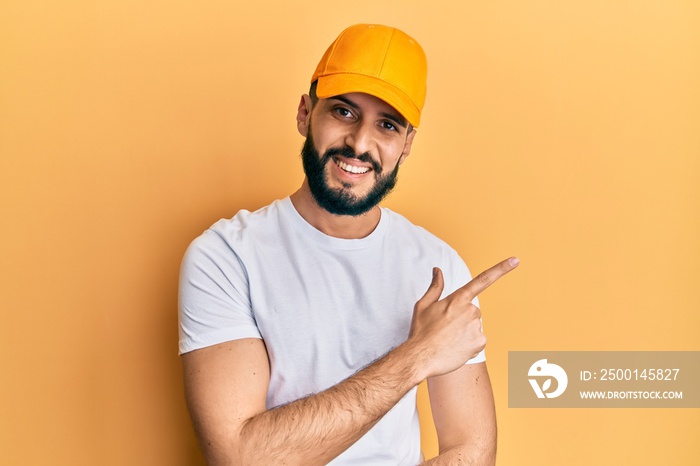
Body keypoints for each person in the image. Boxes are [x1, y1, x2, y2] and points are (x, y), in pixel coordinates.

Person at [178, 23, 518, 465]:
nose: (360, 143)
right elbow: (241, 457)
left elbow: (470, 450)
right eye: (343, 112)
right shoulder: (225, 257)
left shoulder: (438, 266)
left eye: (387, 125)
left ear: (407, 144)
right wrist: (416, 356)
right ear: (305, 113)